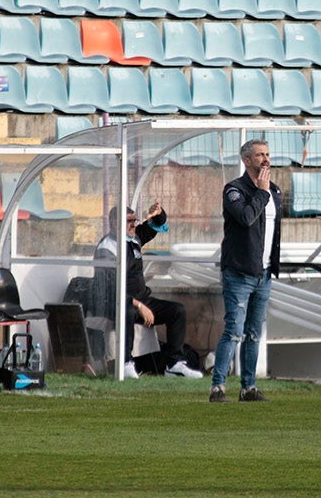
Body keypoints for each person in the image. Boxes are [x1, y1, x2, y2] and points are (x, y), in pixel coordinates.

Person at [209, 139, 282, 404]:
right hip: (239, 272)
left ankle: (248, 387)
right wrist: (261, 193)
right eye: (260, 155)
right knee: (234, 331)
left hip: (263, 273)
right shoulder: (234, 190)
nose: (265, 159)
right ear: (247, 160)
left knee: (254, 333)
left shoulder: (274, 191)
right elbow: (245, 218)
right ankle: (218, 387)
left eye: (267, 154)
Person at [95, 203, 203, 379]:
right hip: (115, 303)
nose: (134, 224)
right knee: (127, 311)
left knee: (177, 311)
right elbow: (109, 288)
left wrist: (158, 214)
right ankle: (125, 364)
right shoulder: (106, 248)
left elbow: (155, 227)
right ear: (114, 223)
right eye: (129, 221)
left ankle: (174, 364)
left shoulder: (133, 238)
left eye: (135, 220)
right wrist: (138, 305)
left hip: (140, 300)